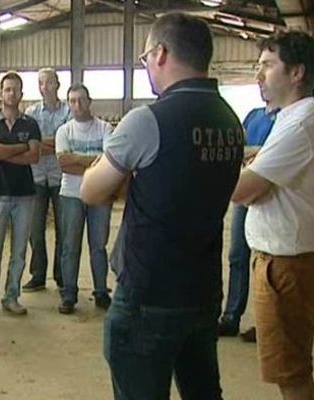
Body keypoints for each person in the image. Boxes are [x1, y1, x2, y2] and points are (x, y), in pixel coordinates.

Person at [81, 14, 243, 398]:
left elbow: (91, 190)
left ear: (161, 53)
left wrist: (123, 176)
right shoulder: (229, 120)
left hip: (149, 293)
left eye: (145, 58)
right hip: (202, 290)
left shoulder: (147, 120)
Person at [232, 31, 314, 400]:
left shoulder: (300, 121)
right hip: (287, 257)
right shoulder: (290, 118)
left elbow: (244, 189)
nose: (259, 74)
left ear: (296, 72)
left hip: (287, 263)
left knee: (291, 371)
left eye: (267, 65)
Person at [0, 72, 41, 322]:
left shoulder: (30, 123)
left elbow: (34, 157)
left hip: (25, 195)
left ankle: (11, 296)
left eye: (16, 89)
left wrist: (5, 153)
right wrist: (21, 147)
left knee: (19, 250)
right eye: (7, 89)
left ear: (21, 94)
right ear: (1, 93)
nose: (11, 93)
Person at [218, 102, 278, 340]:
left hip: (272, 193)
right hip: (246, 187)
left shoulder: (291, 118)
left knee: (269, 261)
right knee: (237, 255)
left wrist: (258, 155)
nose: (261, 77)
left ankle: (267, 323)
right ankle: (231, 316)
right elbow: (238, 146)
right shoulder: (253, 115)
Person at [55, 84, 113, 314]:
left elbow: (109, 162)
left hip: (100, 194)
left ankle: (101, 292)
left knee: (98, 246)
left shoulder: (105, 128)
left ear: (90, 101)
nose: (76, 105)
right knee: (70, 246)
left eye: (80, 100)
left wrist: (77, 160)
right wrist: (94, 162)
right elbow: (63, 163)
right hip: (71, 195)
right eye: (72, 101)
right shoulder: (64, 131)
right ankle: (69, 293)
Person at [22, 68, 69, 292]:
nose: (44, 87)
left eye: (48, 82)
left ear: (57, 85)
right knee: (35, 229)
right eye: (40, 83)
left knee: (64, 229)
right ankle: (38, 275)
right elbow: (32, 145)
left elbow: (66, 144)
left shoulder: (69, 111)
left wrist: (44, 145)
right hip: (37, 177)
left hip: (62, 178)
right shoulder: (31, 113)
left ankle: (61, 276)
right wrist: (51, 144)